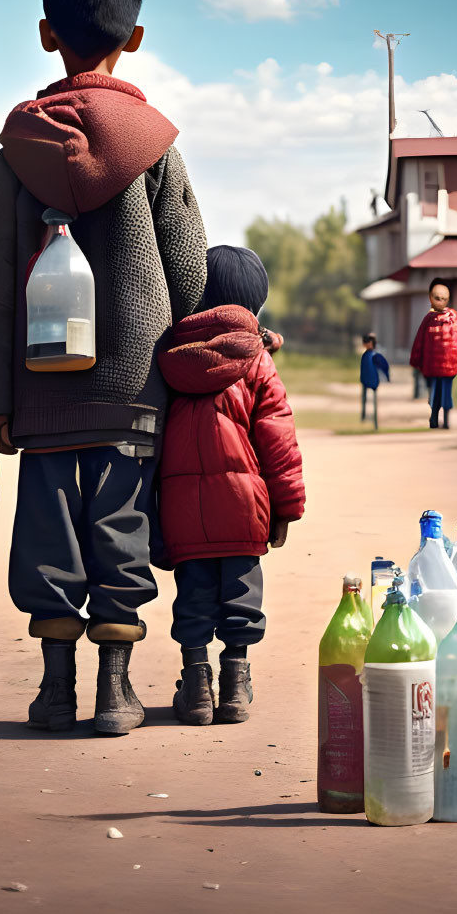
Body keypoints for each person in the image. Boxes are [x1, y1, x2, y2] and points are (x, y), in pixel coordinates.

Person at [0, 0, 207, 738]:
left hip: (39, 398)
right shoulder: (155, 152)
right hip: (133, 393)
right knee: (119, 531)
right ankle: (115, 690)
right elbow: (190, 275)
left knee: (48, 537)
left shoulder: (14, 155)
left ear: (45, 33)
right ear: (132, 37)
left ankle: (52, 691)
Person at [156, 246, 304, 726]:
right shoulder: (257, 361)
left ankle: (197, 690)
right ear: (254, 306)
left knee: (194, 596)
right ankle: (236, 687)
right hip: (243, 507)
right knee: (241, 596)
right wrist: (286, 508)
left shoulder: (172, 357)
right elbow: (277, 438)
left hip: (182, 510)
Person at [410, 278, 457, 429]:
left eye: (443, 298)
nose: (440, 301)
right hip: (449, 367)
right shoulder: (455, 321)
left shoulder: (428, 321)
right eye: (438, 298)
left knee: (435, 392)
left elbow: (419, 343)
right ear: (431, 298)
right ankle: (444, 419)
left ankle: (435, 417)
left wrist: (416, 361)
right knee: (445, 393)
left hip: (432, 367)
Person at [360, 332, 391, 428]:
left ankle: (374, 422)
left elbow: (384, 366)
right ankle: (364, 417)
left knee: (373, 402)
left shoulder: (373, 355)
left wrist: (387, 377)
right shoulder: (367, 355)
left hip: (373, 381)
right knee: (365, 399)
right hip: (366, 380)